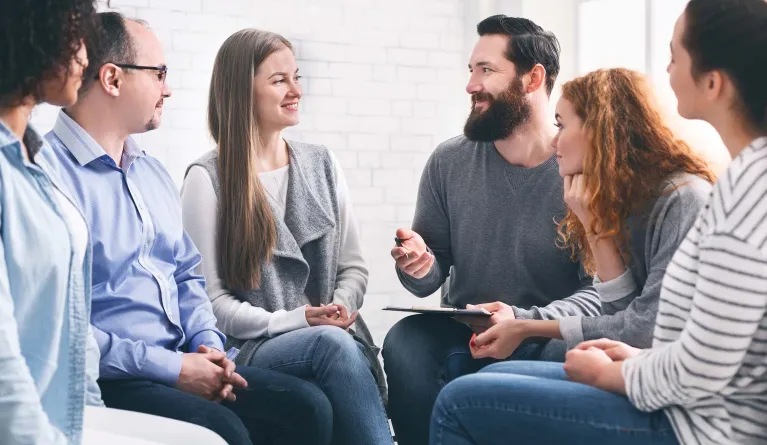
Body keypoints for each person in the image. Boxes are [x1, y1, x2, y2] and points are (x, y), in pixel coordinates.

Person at [430, 1, 767, 444]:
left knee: (460, 403)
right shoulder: (741, 183)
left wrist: (612, 374)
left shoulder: (735, 199)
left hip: (696, 426)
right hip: (679, 400)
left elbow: (695, 371)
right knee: (486, 381)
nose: (665, 71)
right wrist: (626, 356)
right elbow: (669, 335)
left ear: (713, 81)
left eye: (674, 55)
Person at [46, 13, 333, 445]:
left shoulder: (151, 173)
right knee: (224, 430)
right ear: (112, 78)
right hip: (115, 377)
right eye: (159, 73)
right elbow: (64, 329)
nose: (168, 88)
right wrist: (173, 369)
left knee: (306, 407)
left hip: (181, 358)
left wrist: (206, 343)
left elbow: (186, 274)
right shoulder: (47, 177)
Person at [383, 15, 601, 445]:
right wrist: (417, 264)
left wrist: (522, 322)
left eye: (487, 70)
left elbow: (600, 293)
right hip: (468, 334)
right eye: (471, 70)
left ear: (532, 78)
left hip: (543, 332)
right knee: (405, 342)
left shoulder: (582, 168)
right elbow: (430, 274)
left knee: (573, 353)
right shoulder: (448, 162)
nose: (471, 85)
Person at [180, 28, 392, 445]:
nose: (295, 90)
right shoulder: (207, 180)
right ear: (243, 92)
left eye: (296, 77)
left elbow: (353, 267)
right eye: (279, 80)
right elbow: (212, 304)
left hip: (331, 333)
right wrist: (299, 320)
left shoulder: (323, 163)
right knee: (331, 347)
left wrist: (339, 308)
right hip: (254, 345)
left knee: (332, 346)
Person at [467, 68, 713, 361]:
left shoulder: (683, 199)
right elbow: (618, 315)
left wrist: (524, 327)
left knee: (469, 394)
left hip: (677, 384)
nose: (554, 142)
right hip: (637, 365)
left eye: (561, 126)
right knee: (545, 357)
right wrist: (594, 224)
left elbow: (645, 331)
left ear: (602, 131)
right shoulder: (621, 202)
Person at [0, 0, 104, 443]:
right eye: (74, 37)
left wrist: (94, 415)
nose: (85, 57)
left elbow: (74, 317)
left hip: (68, 414)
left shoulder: (39, 161)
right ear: (32, 37)